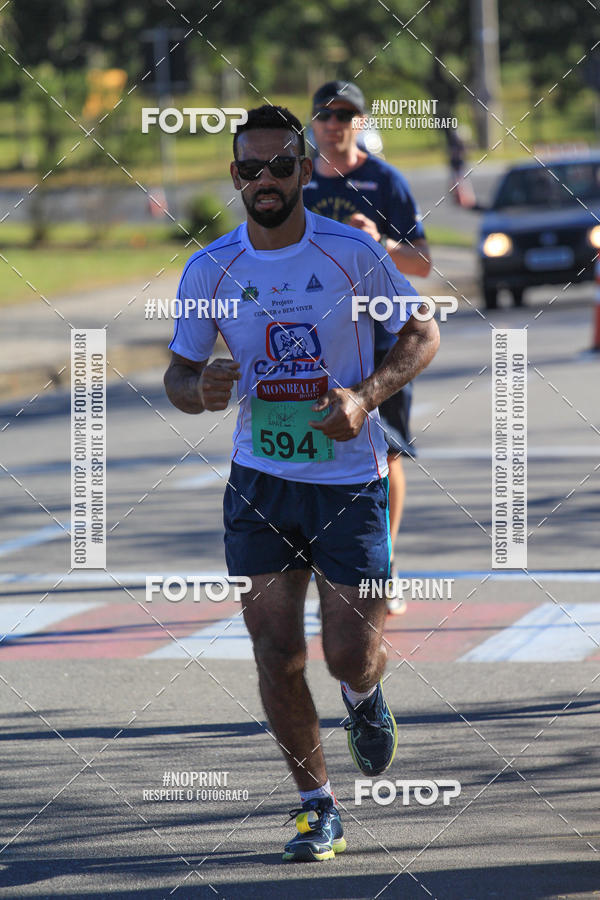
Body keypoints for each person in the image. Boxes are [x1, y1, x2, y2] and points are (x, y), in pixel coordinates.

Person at [163, 105, 439, 862]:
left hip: (349, 482)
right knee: (276, 647)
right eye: (250, 169)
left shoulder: (351, 253)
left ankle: (362, 695)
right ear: (235, 177)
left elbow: (420, 332)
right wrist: (198, 389)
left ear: (303, 169)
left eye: (280, 166)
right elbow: (179, 372)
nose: (266, 181)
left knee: (349, 653)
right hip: (261, 482)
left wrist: (365, 398)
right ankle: (317, 806)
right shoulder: (211, 268)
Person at [303, 81, 432, 615]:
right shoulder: (298, 181)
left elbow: (422, 263)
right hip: (310, 338)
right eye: (325, 115)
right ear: (313, 124)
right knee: (312, 442)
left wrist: (380, 241)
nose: (334, 124)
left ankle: (386, 561)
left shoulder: (384, 181)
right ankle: (321, 564)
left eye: (346, 115)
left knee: (388, 448)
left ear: (360, 122)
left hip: (377, 337)